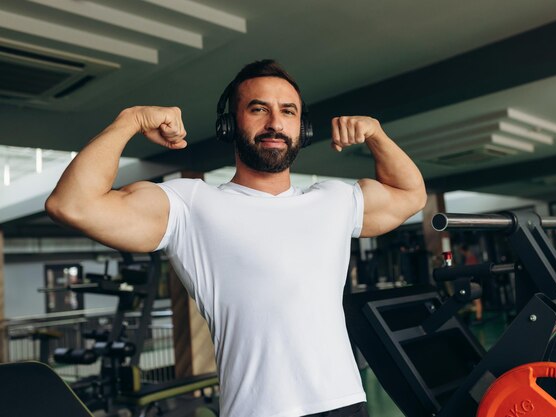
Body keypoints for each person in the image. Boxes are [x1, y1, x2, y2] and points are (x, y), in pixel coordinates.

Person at [46, 60, 427, 417]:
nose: (275, 122)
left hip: (344, 403)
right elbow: (72, 204)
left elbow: (411, 195)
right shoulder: (190, 203)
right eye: (258, 109)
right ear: (229, 125)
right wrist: (129, 121)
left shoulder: (335, 199)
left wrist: (376, 134)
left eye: (288, 111)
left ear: (303, 129)